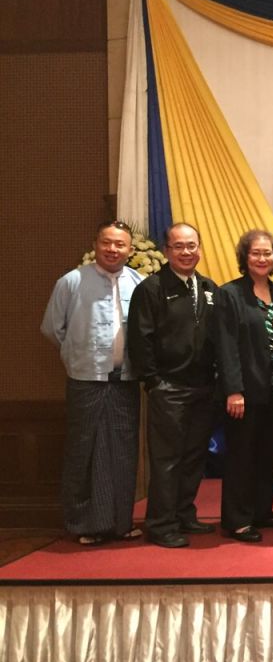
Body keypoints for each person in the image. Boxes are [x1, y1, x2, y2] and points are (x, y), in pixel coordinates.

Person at [41, 220, 144, 546]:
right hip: (86, 380)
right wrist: (78, 355)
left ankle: (120, 523)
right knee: (84, 450)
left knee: (123, 452)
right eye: (106, 242)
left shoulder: (139, 283)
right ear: (96, 244)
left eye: (120, 244)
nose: (113, 249)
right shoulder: (72, 281)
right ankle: (84, 524)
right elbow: (53, 328)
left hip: (125, 380)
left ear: (130, 249)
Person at [127, 222, 218, 548]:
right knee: (167, 460)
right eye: (179, 246)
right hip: (168, 388)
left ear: (199, 249)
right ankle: (161, 524)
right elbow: (140, 339)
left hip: (203, 388)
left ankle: (183, 513)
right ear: (167, 251)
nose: (186, 252)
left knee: (194, 456)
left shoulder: (208, 287)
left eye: (191, 245)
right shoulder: (151, 289)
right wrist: (154, 381)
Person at [215, 230, 273, 543]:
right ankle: (237, 519)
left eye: (267, 253)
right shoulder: (229, 294)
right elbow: (226, 345)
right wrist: (233, 390)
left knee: (269, 453)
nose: (262, 258)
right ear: (245, 257)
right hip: (245, 391)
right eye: (256, 253)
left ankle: (262, 511)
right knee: (241, 455)